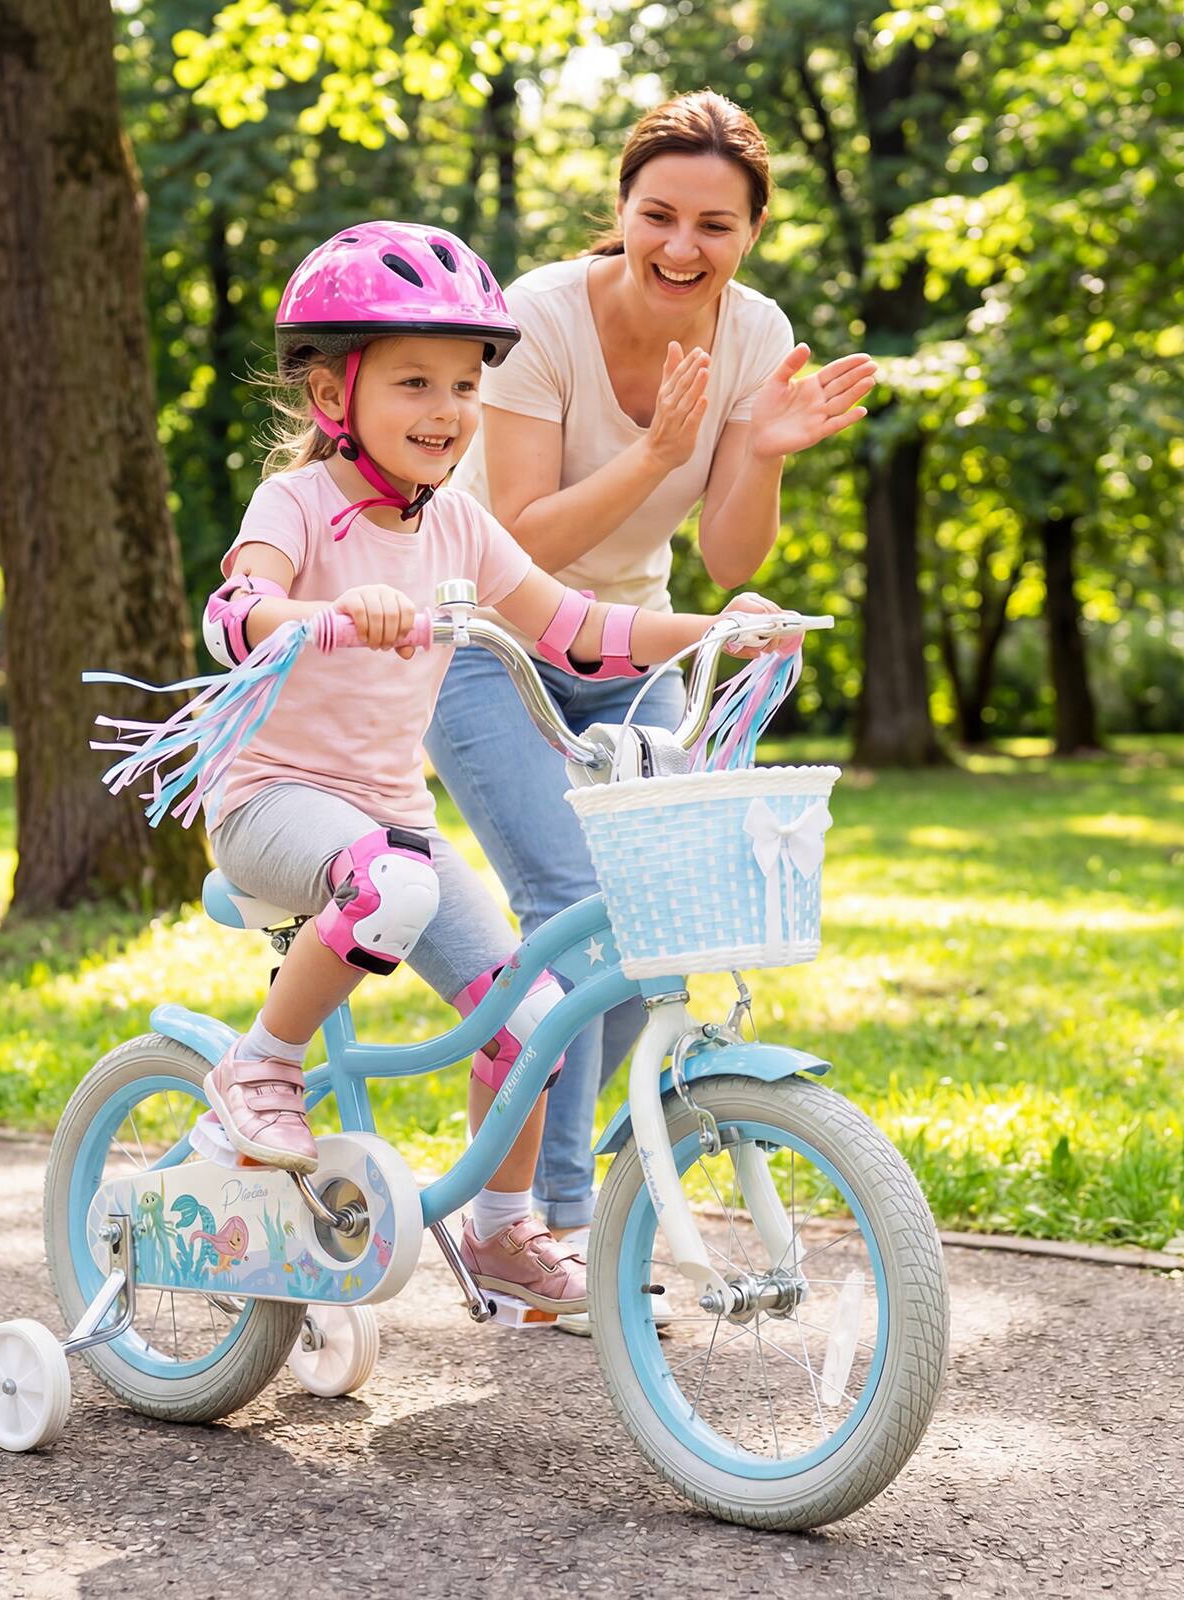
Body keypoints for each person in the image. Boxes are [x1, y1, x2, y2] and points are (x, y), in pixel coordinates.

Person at [186, 219, 794, 1315]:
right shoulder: (298, 505)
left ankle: (505, 1231)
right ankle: (259, 1065)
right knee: (392, 880)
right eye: (413, 381)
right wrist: (323, 615)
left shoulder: (459, 527)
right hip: (271, 808)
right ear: (333, 399)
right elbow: (234, 613)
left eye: (465, 384)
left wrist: (719, 628)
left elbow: (577, 629)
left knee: (536, 1016)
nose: (447, 410)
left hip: (386, 829)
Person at [426, 92, 877, 1261]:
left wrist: (758, 451)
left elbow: (728, 557)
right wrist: (662, 451)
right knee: (571, 910)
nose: (683, 246)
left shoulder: (756, 334)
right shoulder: (536, 320)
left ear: (752, 231)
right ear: (620, 210)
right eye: (658, 215)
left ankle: (552, 1219)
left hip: (629, 654)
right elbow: (526, 538)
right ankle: (533, 1223)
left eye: (715, 225)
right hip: (488, 646)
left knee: (645, 922)